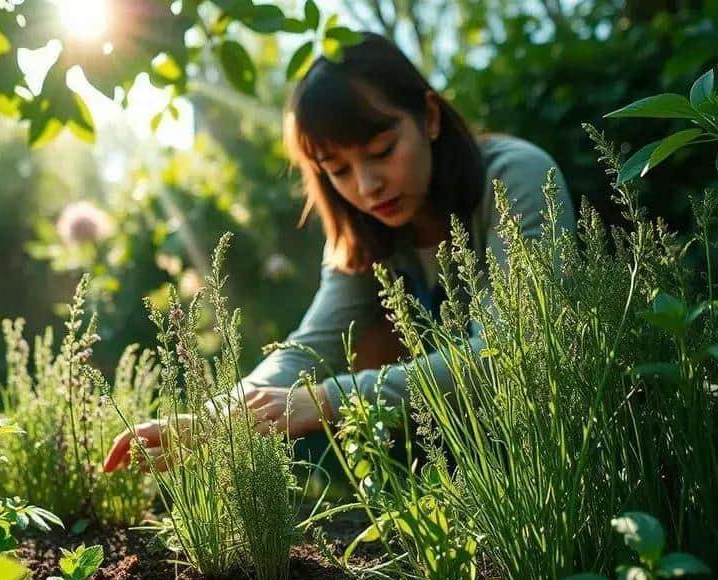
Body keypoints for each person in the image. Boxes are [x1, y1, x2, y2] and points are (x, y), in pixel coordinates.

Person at [102, 32, 574, 472]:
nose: (367, 187)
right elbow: (311, 345)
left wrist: (330, 400)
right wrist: (213, 420)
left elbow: (513, 352)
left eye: (382, 151)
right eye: (338, 170)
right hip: (464, 458)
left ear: (429, 117)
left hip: (565, 445)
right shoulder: (362, 233)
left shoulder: (516, 177)